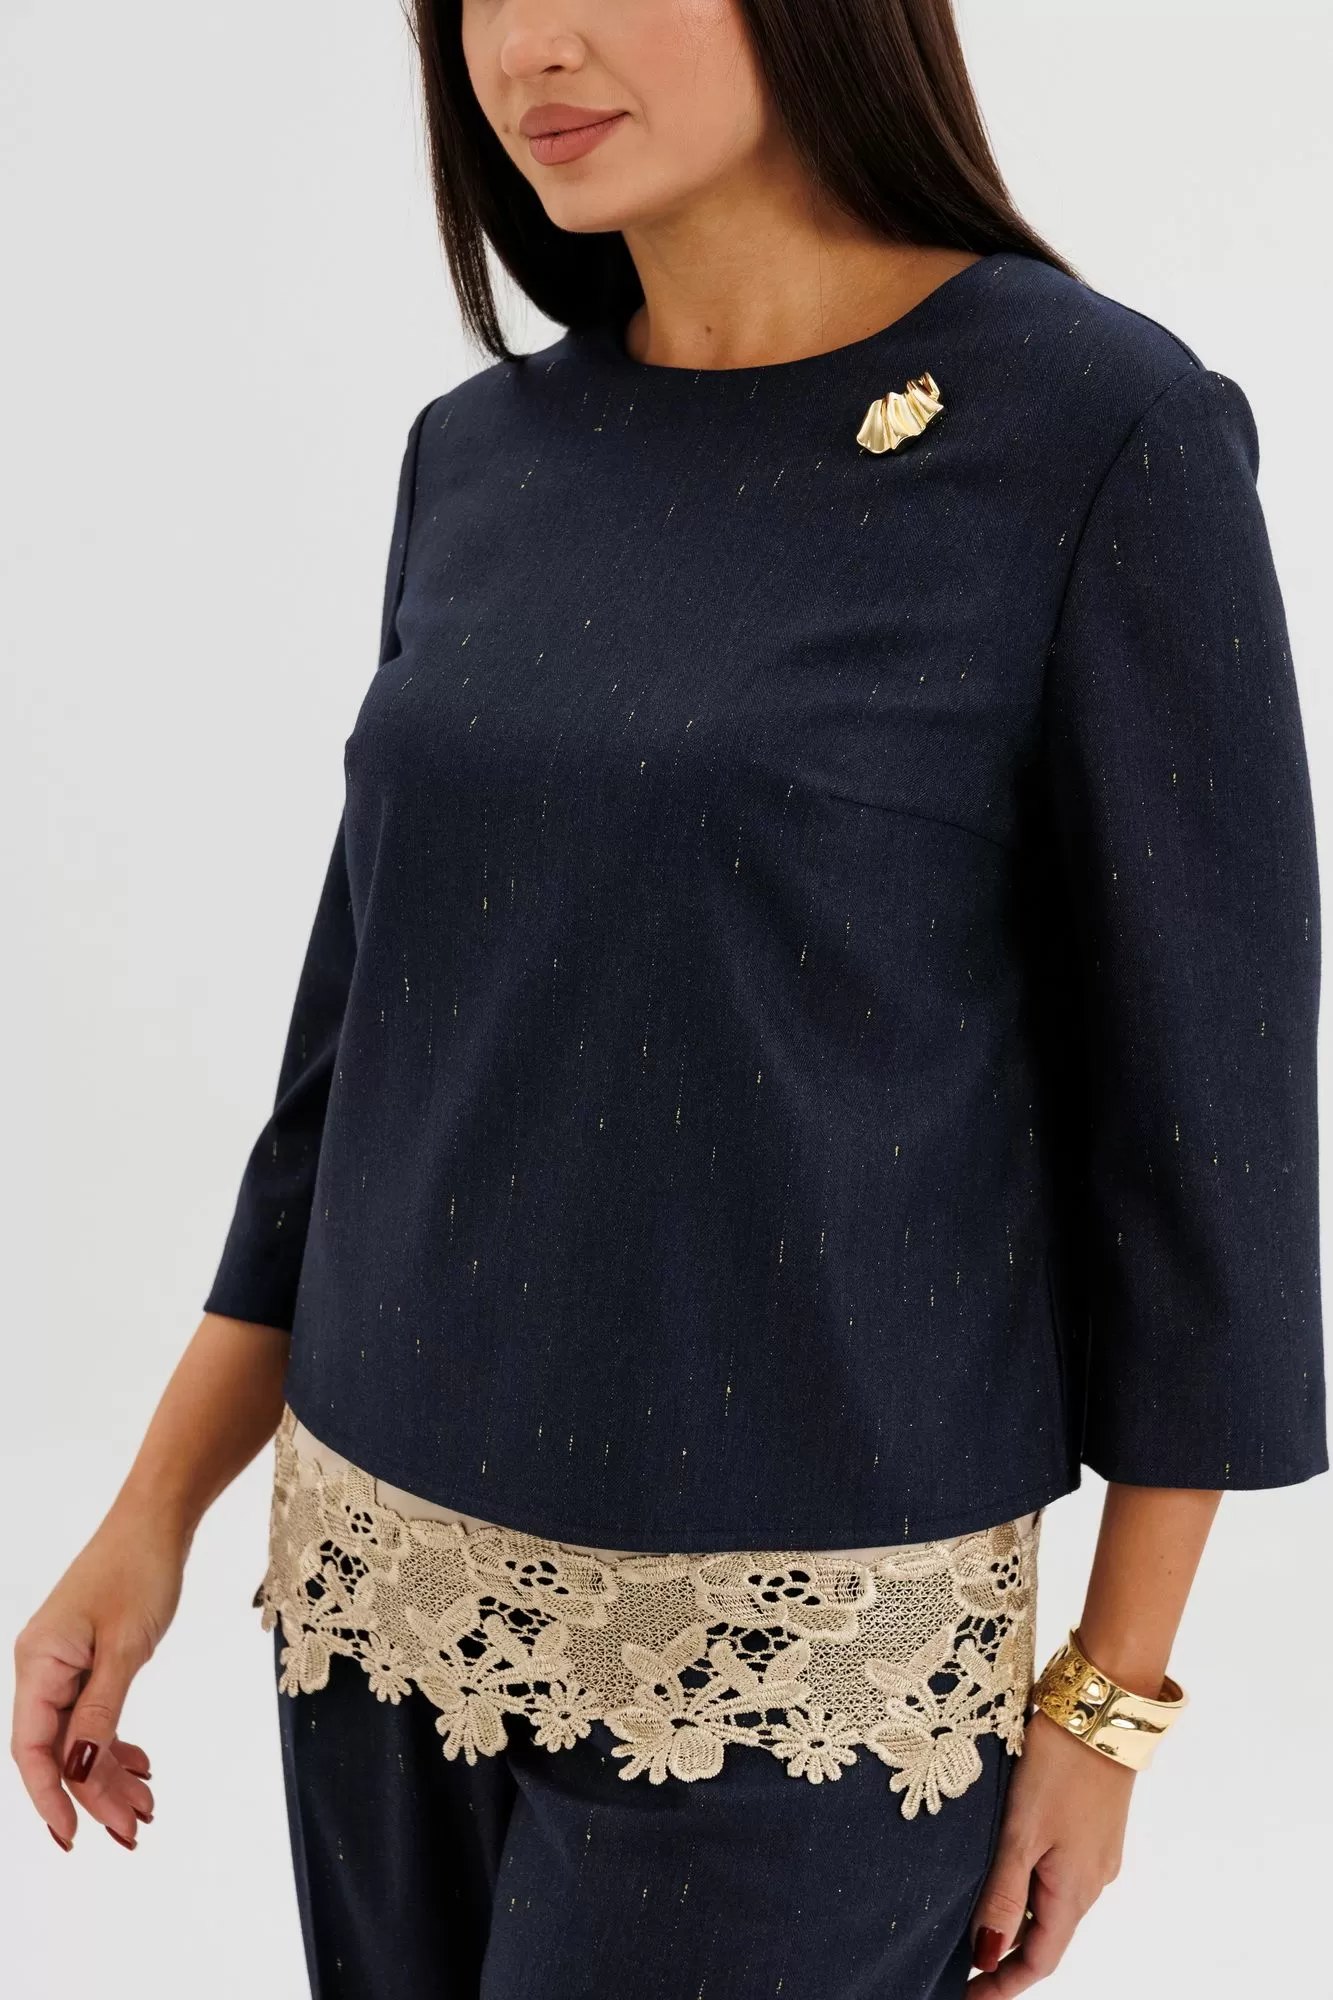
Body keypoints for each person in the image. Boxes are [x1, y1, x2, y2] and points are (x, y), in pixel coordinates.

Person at [12, 3, 1327, 1996]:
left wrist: (1107, 1701)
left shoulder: (1097, 432)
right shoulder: (478, 457)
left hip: (802, 1672)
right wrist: (149, 1517)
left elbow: (1207, 1123)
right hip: (376, 1588)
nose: (529, 43)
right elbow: (359, 1055)